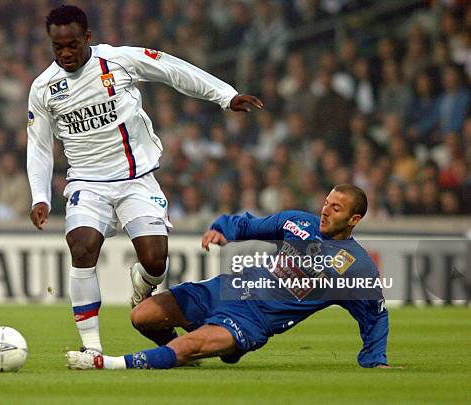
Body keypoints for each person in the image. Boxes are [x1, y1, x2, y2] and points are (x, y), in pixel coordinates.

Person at [27, 4, 263, 355]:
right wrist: (39, 197)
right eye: (57, 47)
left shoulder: (119, 60)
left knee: (155, 260)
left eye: (72, 45)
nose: (65, 53)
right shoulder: (43, 88)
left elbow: (172, 69)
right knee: (82, 246)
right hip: (86, 183)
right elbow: (39, 146)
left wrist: (225, 95)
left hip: (136, 178)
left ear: (87, 38)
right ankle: (91, 349)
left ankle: (144, 283)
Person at [66, 184, 396, 370]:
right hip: (225, 289)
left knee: (186, 345)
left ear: (354, 219)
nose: (325, 210)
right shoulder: (299, 222)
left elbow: (375, 316)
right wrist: (220, 230)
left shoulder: (354, 265)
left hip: (254, 320)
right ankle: (182, 356)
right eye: (326, 202)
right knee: (142, 316)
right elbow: (248, 224)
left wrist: (375, 360)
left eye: (336, 208)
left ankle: (106, 364)